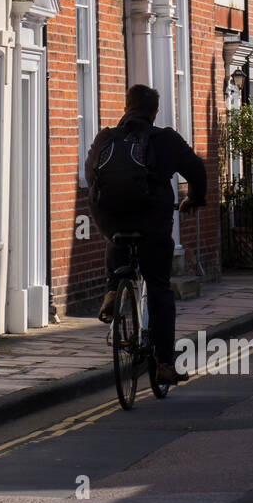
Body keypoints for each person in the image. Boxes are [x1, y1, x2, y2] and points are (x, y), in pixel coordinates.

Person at [85, 84, 207, 387]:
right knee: (159, 288)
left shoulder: (105, 138)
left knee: (117, 239)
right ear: (154, 111)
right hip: (153, 225)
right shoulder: (165, 139)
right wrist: (194, 198)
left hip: (112, 220)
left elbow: (90, 174)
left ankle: (114, 288)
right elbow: (197, 170)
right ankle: (164, 363)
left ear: (126, 107)